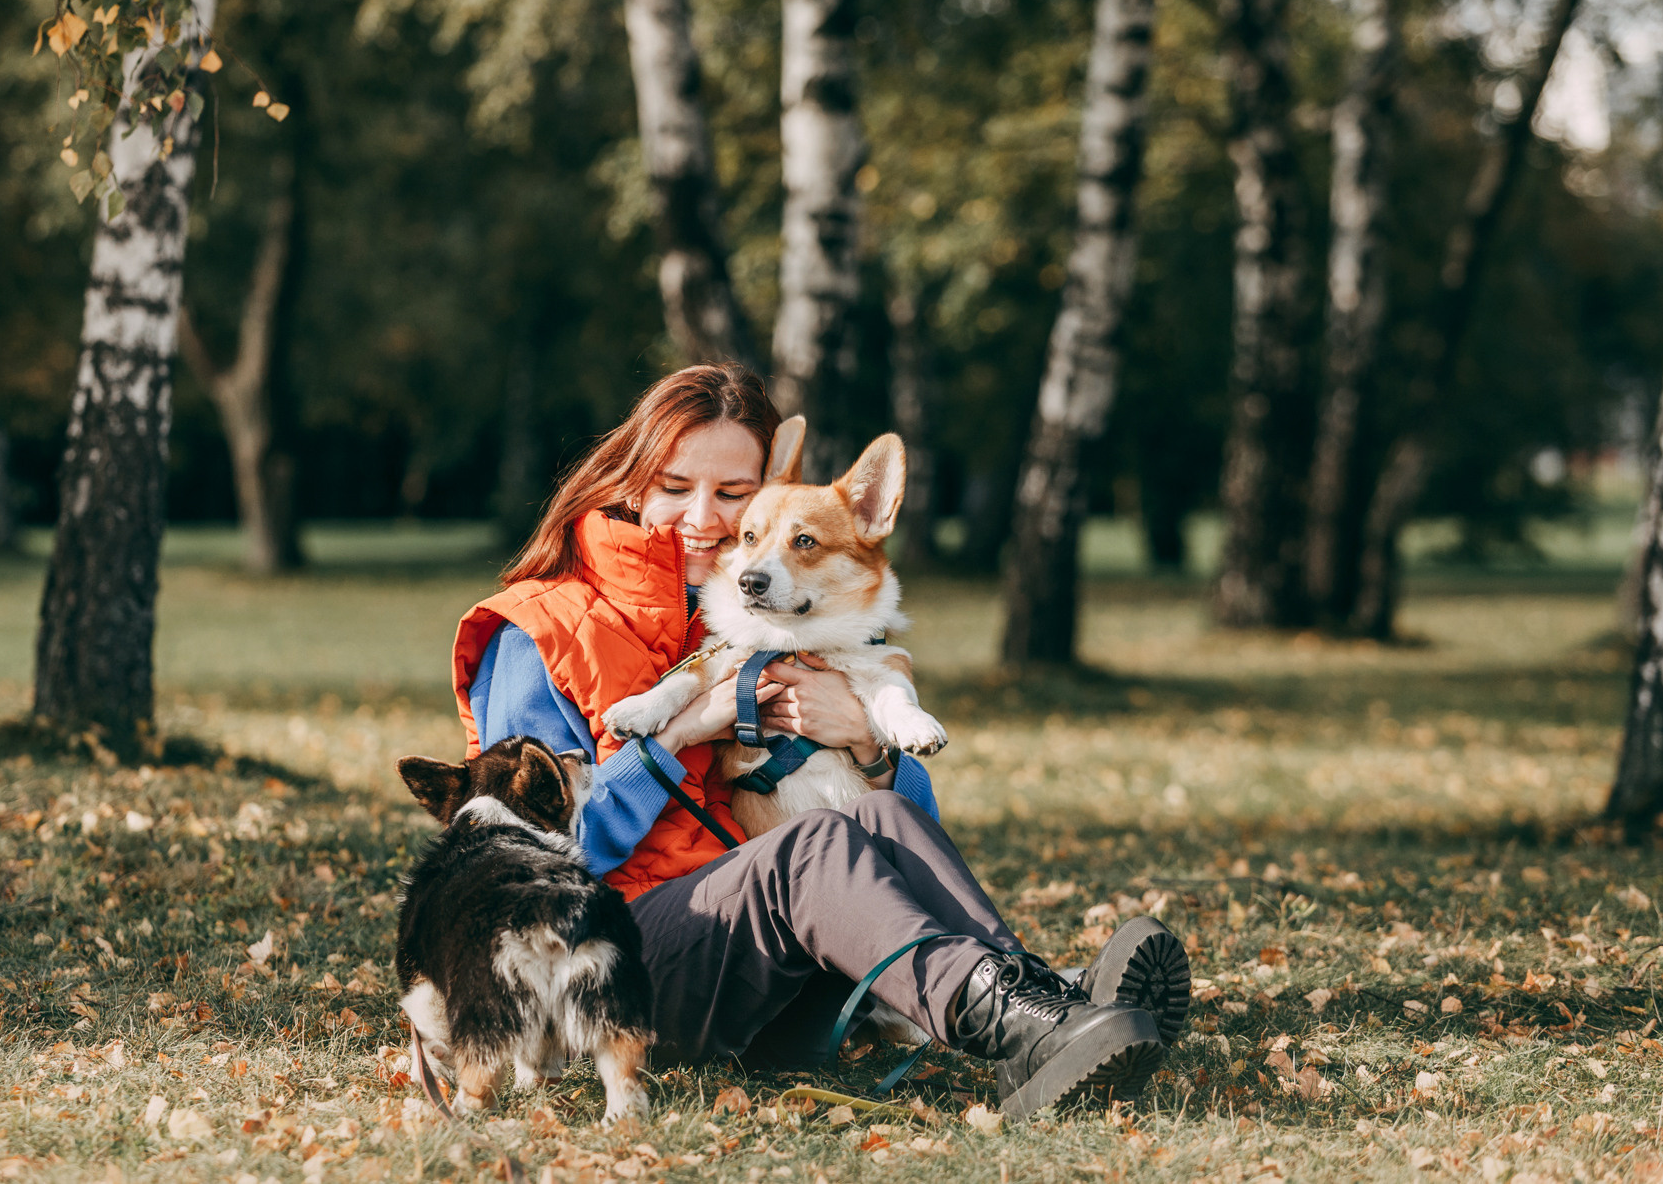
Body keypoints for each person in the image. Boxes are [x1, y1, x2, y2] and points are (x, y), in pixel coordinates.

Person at [451, 365, 1188, 1117]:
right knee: (809, 852)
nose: (703, 518)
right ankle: (1032, 1019)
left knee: (879, 817)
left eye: (733, 493)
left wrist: (867, 743)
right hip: (611, 981)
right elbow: (511, 870)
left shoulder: (743, 617)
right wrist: (674, 737)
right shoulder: (536, 629)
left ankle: (1043, 1009)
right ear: (632, 482)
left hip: (760, 970)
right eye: (676, 485)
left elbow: (901, 822)